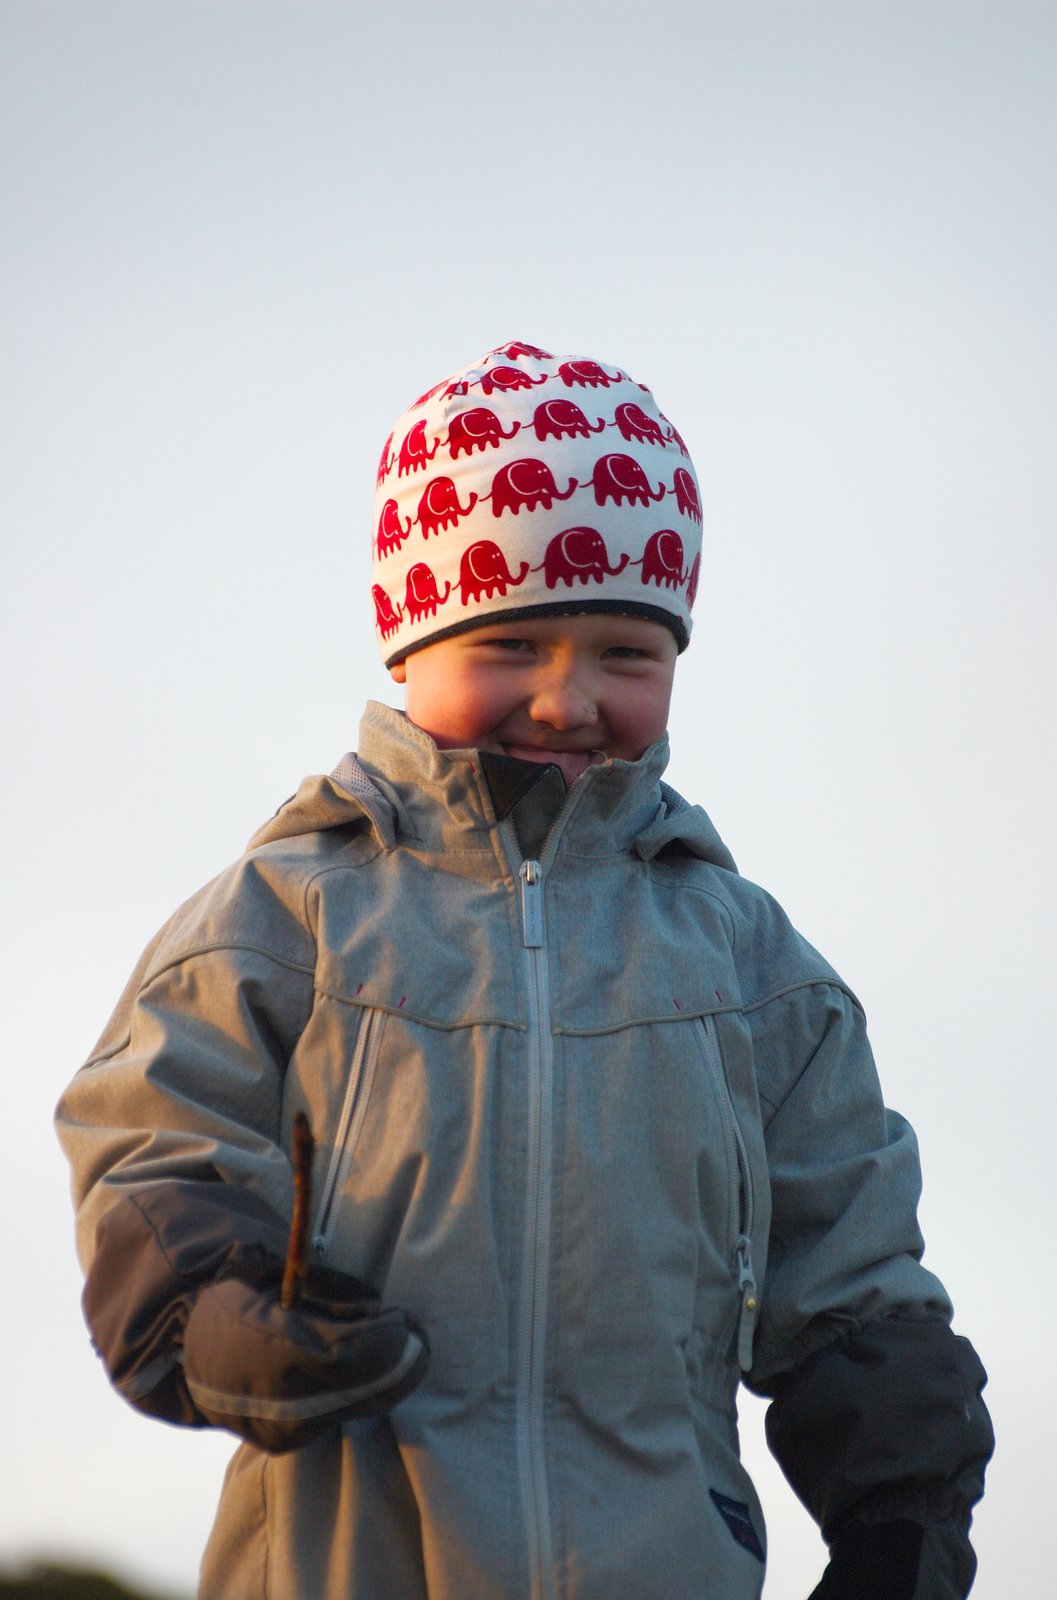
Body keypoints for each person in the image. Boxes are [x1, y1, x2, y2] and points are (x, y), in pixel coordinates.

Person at [56, 342, 993, 1600]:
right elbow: (154, 1142)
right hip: (348, 1562)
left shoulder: (750, 965)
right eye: (511, 643)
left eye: (625, 654)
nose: (567, 699)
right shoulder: (289, 916)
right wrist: (217, 1309)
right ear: (407, 646)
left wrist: (901, 1520)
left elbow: (855, 1271)